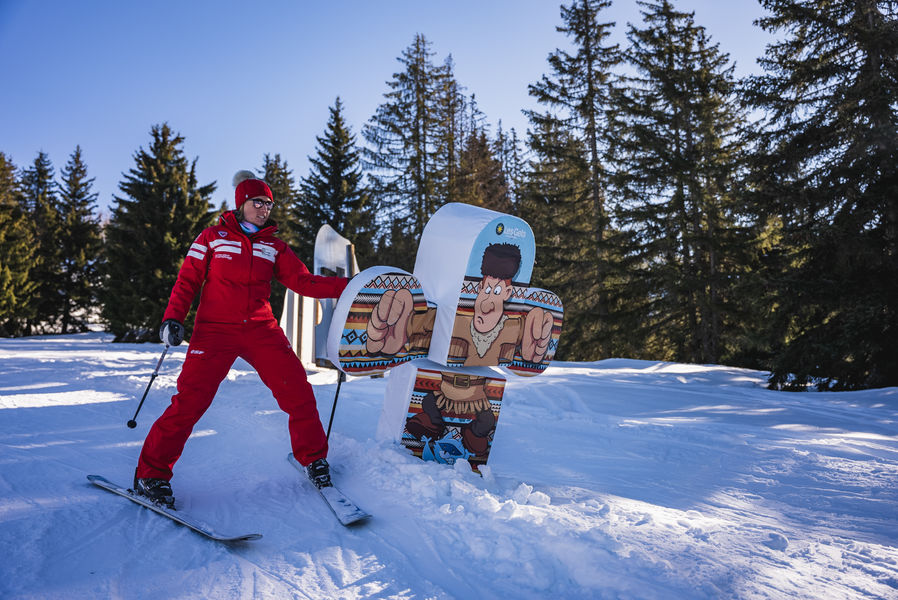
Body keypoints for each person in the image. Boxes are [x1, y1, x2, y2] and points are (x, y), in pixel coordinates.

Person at [133, 170, 349, 508]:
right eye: (257, 202)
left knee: (298, 391)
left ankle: (314, 460)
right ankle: (151, 474)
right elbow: (188, 279)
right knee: (190, 402)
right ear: (241, 202)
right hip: (214, 329)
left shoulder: (274, 246)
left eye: (268, 203)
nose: (264, 208)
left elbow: (304, 282)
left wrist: (349, 286)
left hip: (260, 329)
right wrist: (173, 317)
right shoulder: (212, 237)